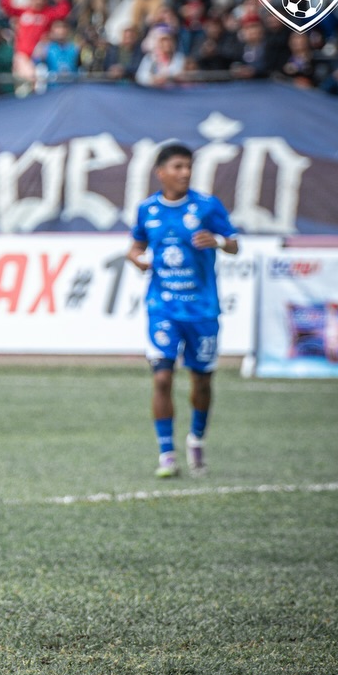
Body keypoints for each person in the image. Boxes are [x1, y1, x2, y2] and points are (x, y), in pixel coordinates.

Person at [127, 143, 239, 480]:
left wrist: (219, 242)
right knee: (161, 376)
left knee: (201, 381)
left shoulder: (206, 207)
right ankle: (166, 454)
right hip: (162, 307)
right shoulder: (147, 210)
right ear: (160, 172)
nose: (185, 173)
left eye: (188, 166)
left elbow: (234, 243)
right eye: (177, 167)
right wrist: (136, 259)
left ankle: (196, 440)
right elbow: (135, 246)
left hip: (202, 308)